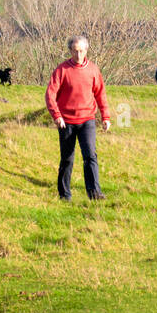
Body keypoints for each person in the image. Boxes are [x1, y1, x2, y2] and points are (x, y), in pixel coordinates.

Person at [45, 36, 112, 201]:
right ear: (70, 51)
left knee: (90, 156)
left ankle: (94, 193)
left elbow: (100, 94)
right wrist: (57, 115)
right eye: (75, 51)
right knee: (67, 159)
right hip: (66, 121)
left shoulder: (93, 70)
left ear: (86, 50)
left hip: (87, 119)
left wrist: (105, 116)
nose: (78, 54)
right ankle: (65, 195)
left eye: (81, 50)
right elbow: (50, 94)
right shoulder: (61, 70)